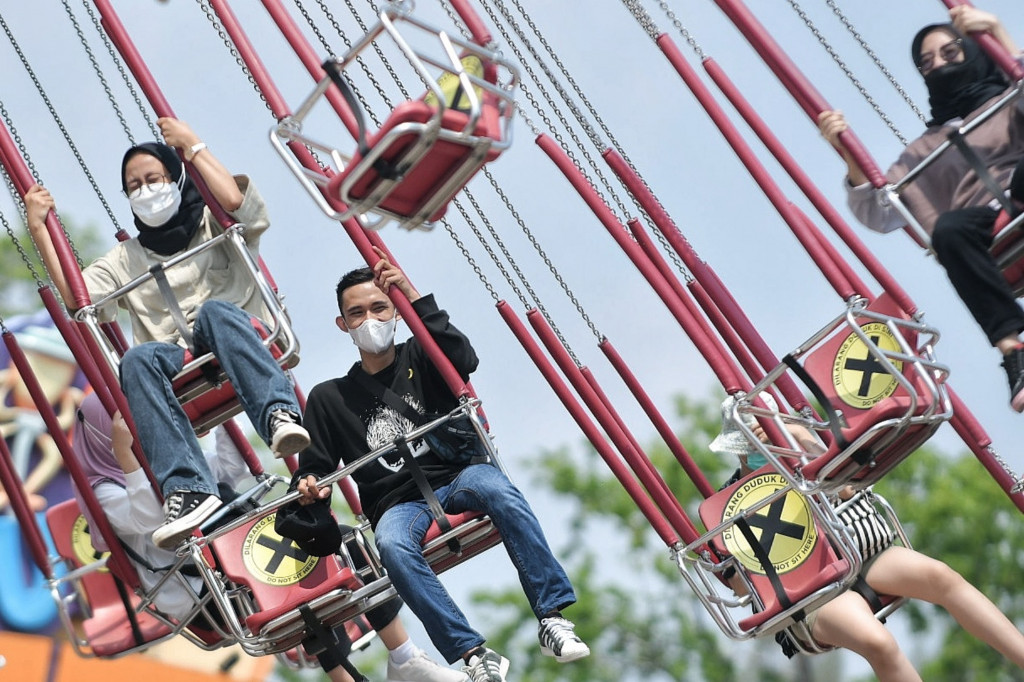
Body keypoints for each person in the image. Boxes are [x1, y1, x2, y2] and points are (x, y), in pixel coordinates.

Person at [286, 250, 590, 682]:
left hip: (458, 474)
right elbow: (313, 465)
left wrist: (414, 298)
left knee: (500, 491)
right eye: (357, 313)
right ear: (344, 324)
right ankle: (470, 652)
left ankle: (552, 615)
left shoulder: (423, 355)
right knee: (390, 546)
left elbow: (463, 358)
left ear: (395, 312)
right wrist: (309, 483)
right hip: (396, 502)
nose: (369, 320)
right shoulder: (329, 398)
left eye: (379, 308)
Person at [25, 117, 310, 549]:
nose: (145, 191)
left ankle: (276, 413)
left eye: (152, 179)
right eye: (134, 185)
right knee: (136, 359)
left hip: (236, 334)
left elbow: (236, 200)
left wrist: (193, 146)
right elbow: (77, 299)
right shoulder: (128, 257)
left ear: (174, 180)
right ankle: (188, 486)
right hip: (181, 360)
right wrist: (40, 231)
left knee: (215, 312)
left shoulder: (213, 222)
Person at [72, 392, 466, 682]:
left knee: (340, 544)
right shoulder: (105, 491)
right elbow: (151, 518)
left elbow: (232, 468)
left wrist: (224, 408)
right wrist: (128, 459)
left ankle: (403, 658)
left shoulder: (171, 468)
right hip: (200, 590)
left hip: (232, 561)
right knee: (293, 580)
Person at [711, 393, 1024, 681]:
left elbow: (847, 489)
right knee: (878, 641)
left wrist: (801, 437)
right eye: (750, 444)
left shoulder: (805, 457)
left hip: (860, 554)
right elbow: (742, 585)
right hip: (811, 596)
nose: (758, 449)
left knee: (940, 576)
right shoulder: (729, 503)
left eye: (765, 436)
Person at [817, 5, 1024, 411]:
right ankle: (1012, 346)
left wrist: (1000, 37)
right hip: (987, 229)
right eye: (928, 62)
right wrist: (849, 157)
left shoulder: (1009, 100)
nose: (940, 65)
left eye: (951, 53)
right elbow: (879, 210)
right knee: (947, 229)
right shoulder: (922, 151)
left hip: (1019, 190)